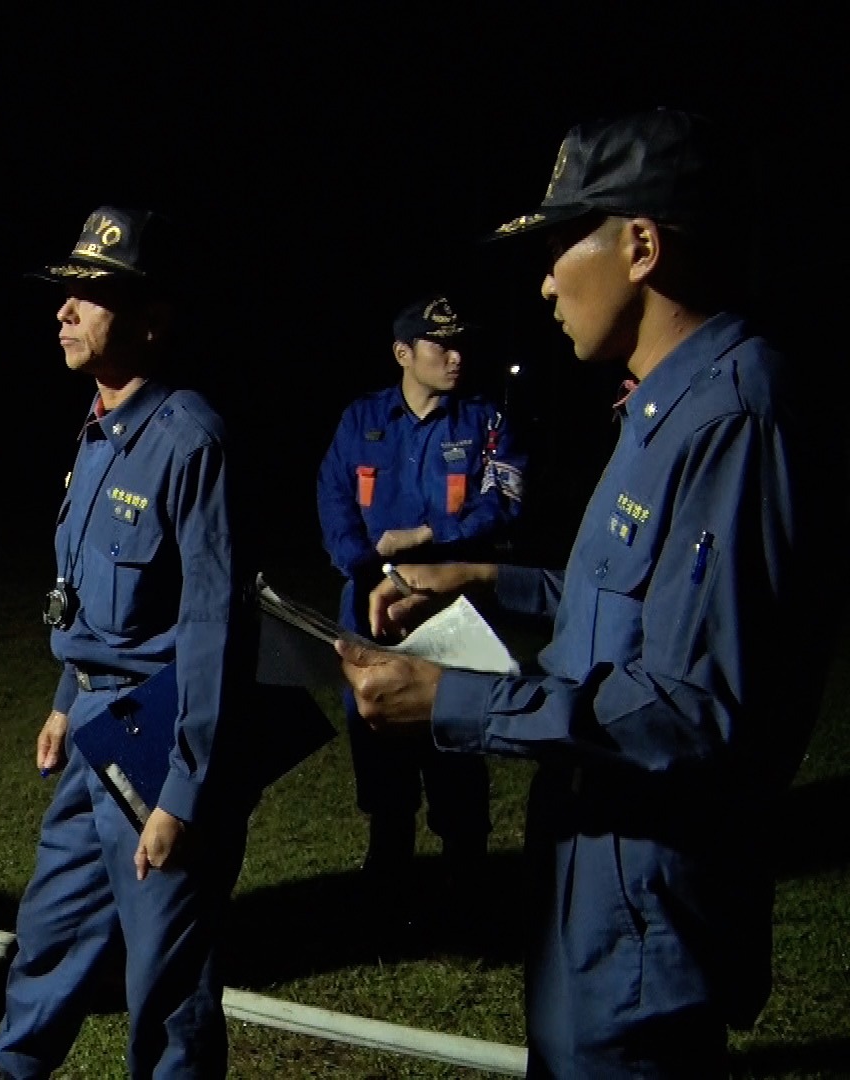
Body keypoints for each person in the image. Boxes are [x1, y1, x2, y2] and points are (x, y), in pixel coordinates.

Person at [340, 108, 826, 1076]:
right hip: (586, 907)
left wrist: (452, 701)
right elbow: (624, 611)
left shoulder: (734, 414)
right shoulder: (657, 408)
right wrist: (480, 578)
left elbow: (696, 709)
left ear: (641, 246)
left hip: (646, 931)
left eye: (564, 244)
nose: (547, 277)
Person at [0, 208, 256, 1079]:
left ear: (151, 316)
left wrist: (184, 793)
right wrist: (67, 705)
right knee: (49, 935)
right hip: (95, 737)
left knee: (169, 986)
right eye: (65, 292)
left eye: (92, 294)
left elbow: (217, 630)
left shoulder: (190, 440)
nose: (65, 310)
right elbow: (94, 606)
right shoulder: (99, 429)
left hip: (162, 745)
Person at [316, 297, 523, 888]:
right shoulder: (362, 420)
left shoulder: (484, 422)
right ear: (403, 354)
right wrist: (366, 566)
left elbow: (503, 502)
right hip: (372, 608)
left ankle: (466, 871)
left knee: (455, 733)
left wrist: (432, 534)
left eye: (462, 345)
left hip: (450, 611)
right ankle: (388, 866)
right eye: (441, 346)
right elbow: (333, 498)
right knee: (376, 729)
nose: (457, 358)